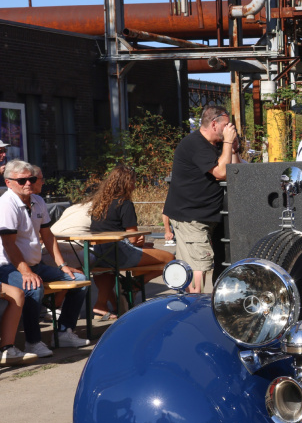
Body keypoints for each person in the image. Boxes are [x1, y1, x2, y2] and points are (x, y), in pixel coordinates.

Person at [0, 160, 90, 355]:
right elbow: (8, 243)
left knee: (79, 280)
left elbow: (48, 236)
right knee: (33, 287)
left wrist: (62, 265)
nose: (28, 183)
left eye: (32, 179)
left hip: (34, 264)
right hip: (8, 266)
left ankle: (64, 332)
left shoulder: (37, 200)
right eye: (22, 180)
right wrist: (25, 272)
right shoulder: (6, 204)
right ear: (8, 183)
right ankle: (33, 342)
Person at [163, 105, 240, 293]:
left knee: (211, 264)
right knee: (198, 267)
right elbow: (221, 172)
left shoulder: (218, 145)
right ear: (214, 124)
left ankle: (199, 303)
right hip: (192, 217)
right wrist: (227, 143)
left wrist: (233, 148)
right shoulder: (195, 143)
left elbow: (236, 173)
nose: (229, 128)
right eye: (226, 124)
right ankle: (194, 304)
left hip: (211, 216)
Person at [88, 165, 174, 318]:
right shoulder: (124, 203)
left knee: (106, 270)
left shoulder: (99, 204)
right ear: (126, 183)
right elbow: (133, 238)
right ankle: (135, 285)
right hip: (120, 253)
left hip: (99, 253)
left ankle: (102, 304)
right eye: (133, 181)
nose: (135, 185)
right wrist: (141, 243)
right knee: (170, 259)